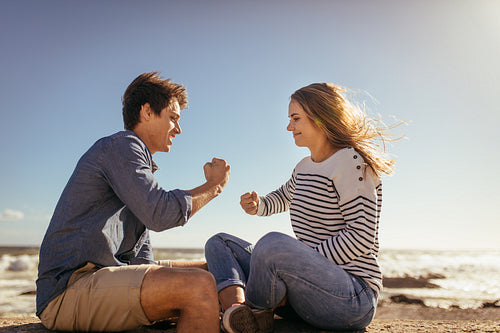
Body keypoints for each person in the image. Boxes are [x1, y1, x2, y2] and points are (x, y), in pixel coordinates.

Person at [36, 72, 230, 332]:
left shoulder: (136, 164)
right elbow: (160, 213)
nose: (179, 129)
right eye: (173, 118)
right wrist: (213, 186)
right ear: (147, 112)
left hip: (103, 275)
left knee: (218, 270)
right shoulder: (122, 147)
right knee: (199, 286)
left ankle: (236, 314)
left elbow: (140, 261)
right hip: (68, 289)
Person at [205, 83, 399, 332]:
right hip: (306, 292)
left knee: (272, 244)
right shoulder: (304, 167)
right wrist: (260, 204)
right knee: (219, 243)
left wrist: (300, 262)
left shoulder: (351, 163)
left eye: (295, 119)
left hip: (352, 297)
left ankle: (257, 312)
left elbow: (361, 237)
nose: (289, 127)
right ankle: (238, 312)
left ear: (320, 118)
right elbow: (286, 196)